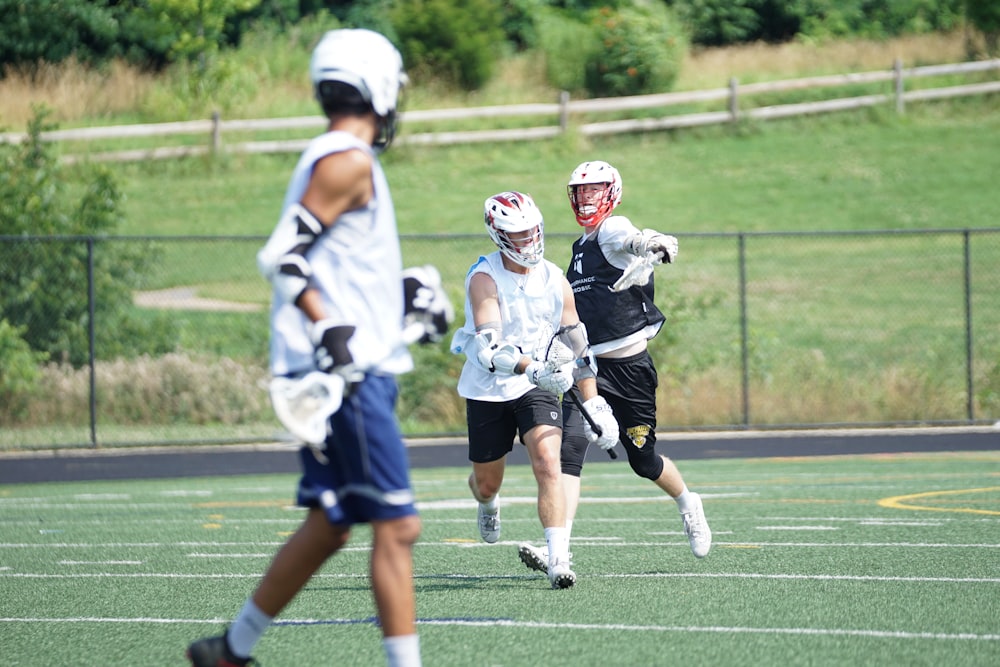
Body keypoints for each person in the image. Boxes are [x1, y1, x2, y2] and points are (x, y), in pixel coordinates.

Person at [187, 29, 451, 667]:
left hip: (344, 368)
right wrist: (329, 328)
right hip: (348, 378)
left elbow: (339, 267)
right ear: (378, 86)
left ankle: (232, 649)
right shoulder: (349, 160)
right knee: (398, 524)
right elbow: (283, 255)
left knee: (332, 522)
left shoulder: (343, 159)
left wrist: (405, 295)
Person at [518, 160, 712, 575]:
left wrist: (652, 244)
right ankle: (559, 550)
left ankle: (687, 501)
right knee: (569, 451)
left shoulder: (611, 230)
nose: (586, 198)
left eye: (594, 190)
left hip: (630, 370)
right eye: (580, 191)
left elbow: (632, 239)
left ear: (612, 192)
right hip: (588, 370)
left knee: (643, 460)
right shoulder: (577, 250)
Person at [449, 191, 618, 590]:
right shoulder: (484, 278)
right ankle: (487, 502)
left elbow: (578, 342)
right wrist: (534, 367)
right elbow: (489, 347)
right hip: (490, 387)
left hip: (537, 387)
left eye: (532, 231)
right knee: (487, 482)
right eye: (518, 234)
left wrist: (594, 401)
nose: (529, 240)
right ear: (499, 235)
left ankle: (559, 558)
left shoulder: (555, 278)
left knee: (547, 461)